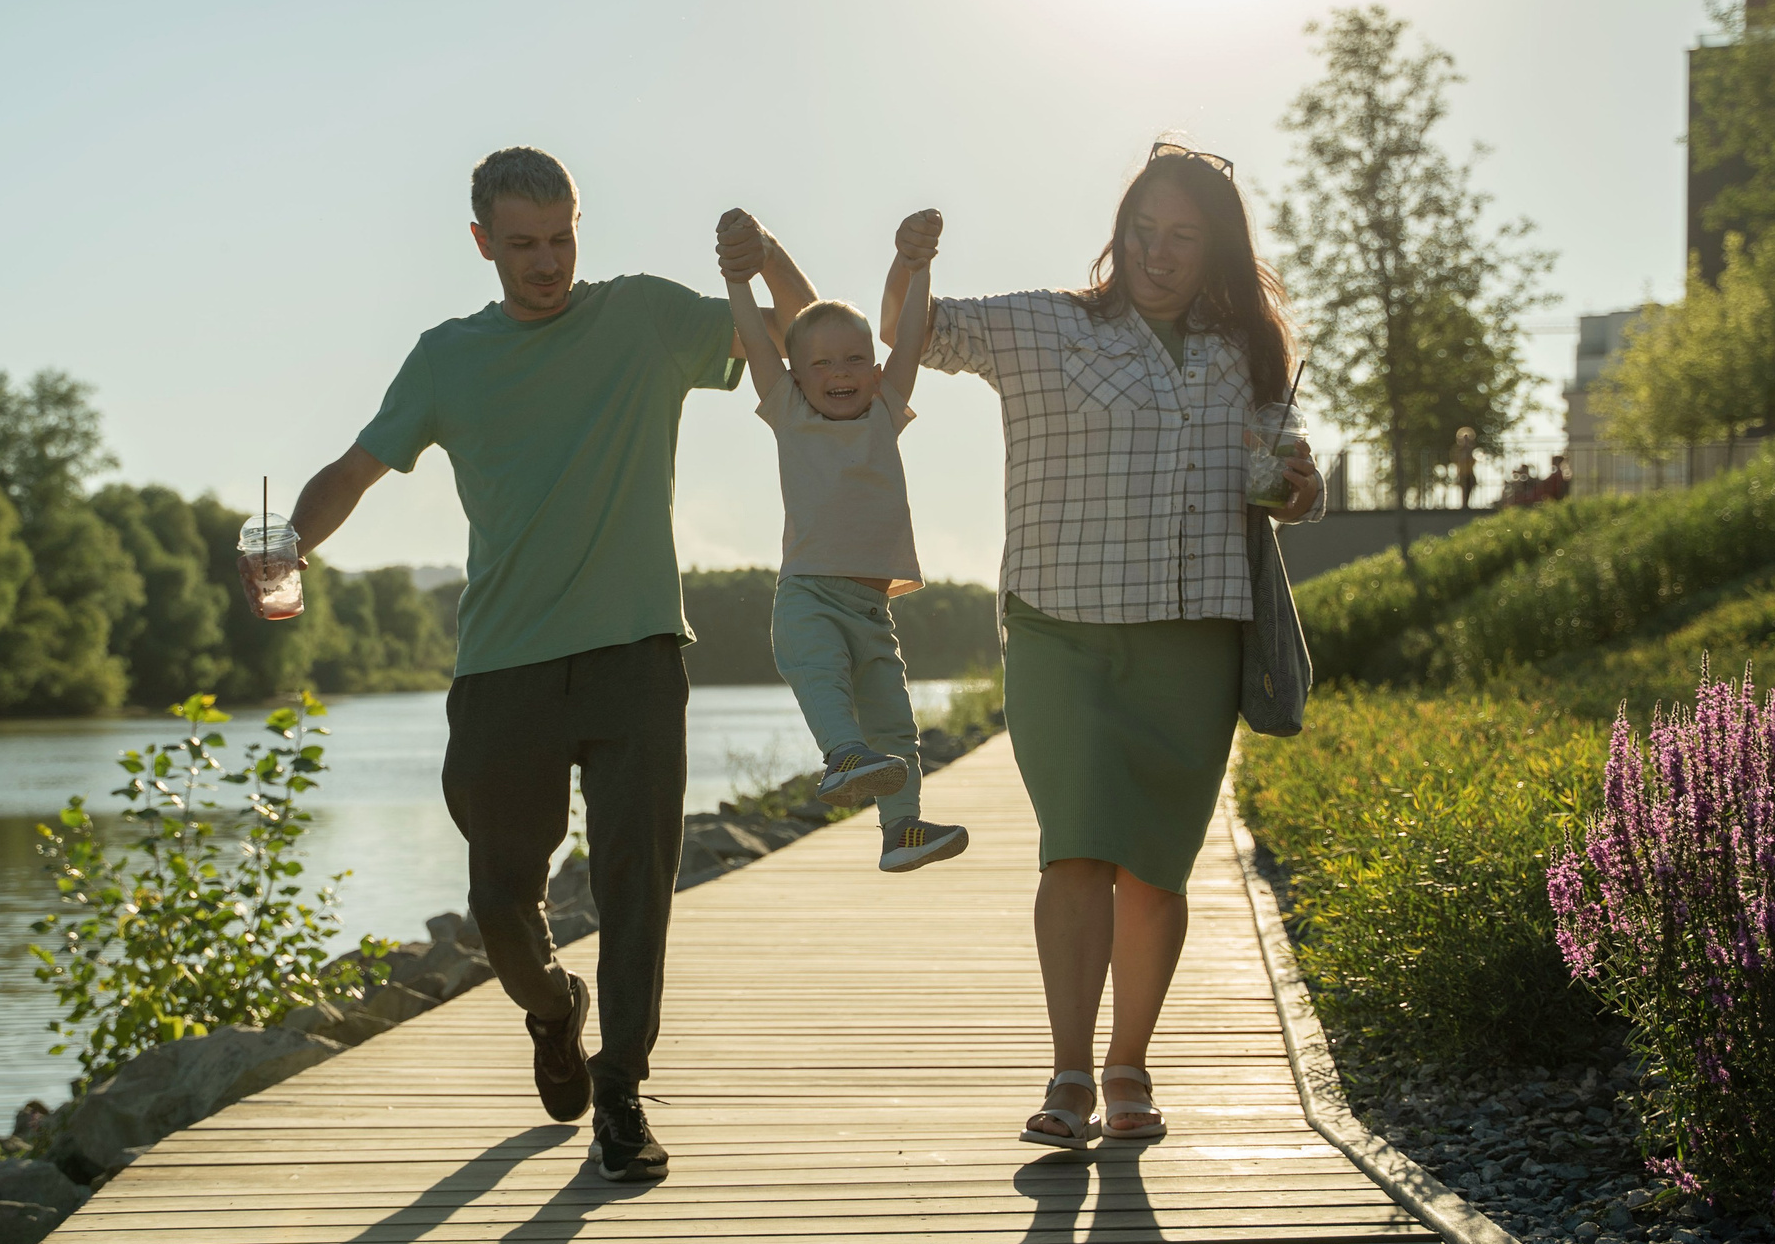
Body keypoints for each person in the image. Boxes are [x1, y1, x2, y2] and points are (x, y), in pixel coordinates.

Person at [284, 146, 815, 1182]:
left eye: (561, 237)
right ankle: (551, 1006)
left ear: (581, 225)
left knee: (634, 889)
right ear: (482, 243)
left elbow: (797, 336)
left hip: (636, 656)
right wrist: (288, 548)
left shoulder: (645, 320)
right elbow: (352, 472)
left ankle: (622, 1090)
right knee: (498, 903)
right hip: (503, 668)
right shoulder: (446, 358)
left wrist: (768, 255)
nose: (546, 262)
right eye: (521, 244)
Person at [885, 141, 1322, 1147]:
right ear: (1115, 234)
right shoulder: (1045, 325)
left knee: (1157, 871)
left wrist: (1301, 489)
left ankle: (1131, 1062)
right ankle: (1071, 1071)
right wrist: (911, 265)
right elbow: (914, 333)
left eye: (1182, 237)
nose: (1158, 254)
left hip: (1195, 639)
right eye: (1142, 232)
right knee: (1075, 851)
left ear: (1213, 249)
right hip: (1060, 635)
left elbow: (1283, 481)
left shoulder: (1246, 353)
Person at [721, 205, 970, 875]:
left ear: (874, 367)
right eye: (823, 362)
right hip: (808, 599)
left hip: (871, 611)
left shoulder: (885, 410)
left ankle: (901, 830)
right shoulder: (788, 411)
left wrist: (919, 268)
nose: (841, 371)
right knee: (824, 680)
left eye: (856, 359)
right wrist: (738, 279)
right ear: (796, 372)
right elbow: (754, 336)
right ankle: (840, 757)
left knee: (895, 727)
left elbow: (912, 339)